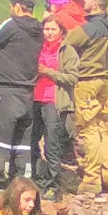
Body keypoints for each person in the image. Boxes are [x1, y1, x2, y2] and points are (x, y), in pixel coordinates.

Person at [0, 0, 44, 186]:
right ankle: (24, 182)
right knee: (23, 141)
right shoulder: (39, 29)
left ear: (17, 7)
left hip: (7, 91)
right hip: (28, 93)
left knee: (1, 140)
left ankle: (0, 183)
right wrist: (0, 29)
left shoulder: (13, 24)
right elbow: (15, 44)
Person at [66, 0, 108, 196]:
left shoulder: (89, 28)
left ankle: (91, 180)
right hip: (104, 83)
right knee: (99, 129)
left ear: (96, 5)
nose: (85, 0)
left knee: (88, 129)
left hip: (87, 82)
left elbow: (66, 43)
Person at [34, 14, 79, 200]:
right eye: (46, 29)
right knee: (31, 141)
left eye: (53, 29)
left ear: (61, 31)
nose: (49, 33)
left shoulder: (67, 51)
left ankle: (54, 185)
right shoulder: (37, 47)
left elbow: (72, 78)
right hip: (35, 100)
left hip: (55, 102)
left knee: (52, 145)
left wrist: (49, 72)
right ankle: (39, 179)